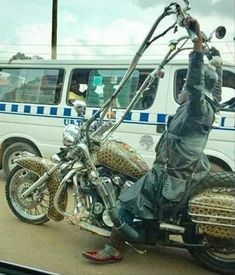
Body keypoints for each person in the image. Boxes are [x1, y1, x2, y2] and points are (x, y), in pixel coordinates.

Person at [82, 18, 223, 264]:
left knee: (125, 201)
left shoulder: (196, 109)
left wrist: (197, 43)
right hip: (183, 171)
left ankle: (114, 248)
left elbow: (196, 82)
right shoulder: (210, 105)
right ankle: (142, 231)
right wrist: (216, 60)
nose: (182, 89)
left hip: (169, 176)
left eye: (185, 86)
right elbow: (211, 85)